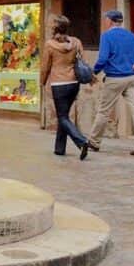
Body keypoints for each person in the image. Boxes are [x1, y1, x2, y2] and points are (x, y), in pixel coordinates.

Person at [87, 10, 134, 156]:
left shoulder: (106, 36)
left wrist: (94, 72)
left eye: (105, 19)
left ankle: (94, 142)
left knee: (104, 111)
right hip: (132, 78)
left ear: (110, 21)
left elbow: (103, 58)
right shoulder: (132, 36)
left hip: (114, 78)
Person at [39, 15, 90, 160]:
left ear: (55, 29)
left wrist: (42, 82)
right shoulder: (76, 42)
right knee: (64, 116)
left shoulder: (50, 45)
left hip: (59, 84)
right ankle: (59, 148)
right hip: (74, 83)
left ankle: (81, 141)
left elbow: (45, 67)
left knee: (62, 117)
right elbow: (83, 62)